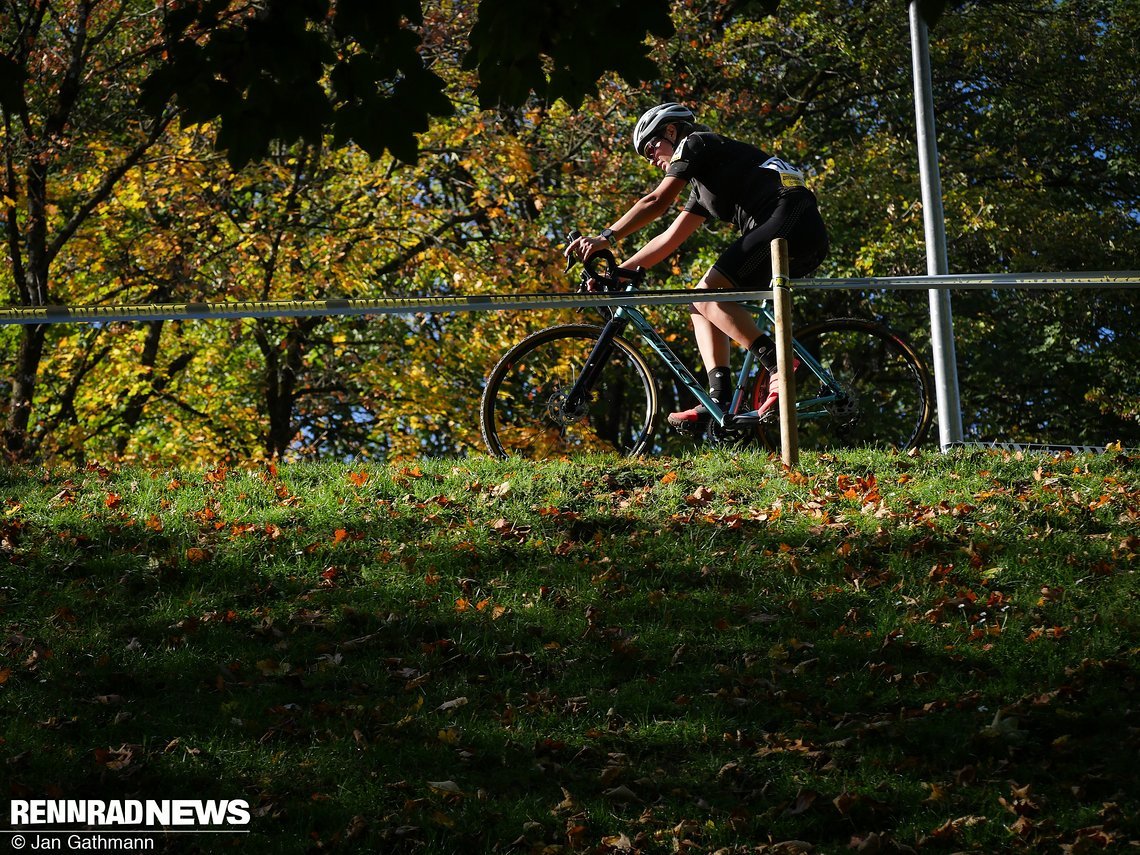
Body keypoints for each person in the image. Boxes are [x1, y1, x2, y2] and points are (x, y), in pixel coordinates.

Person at [566, 102, 829, 436]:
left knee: (708, 292)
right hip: (792, 229)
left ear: (672, 131)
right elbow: (671, 236)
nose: (651, 159)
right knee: (699, 303)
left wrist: (606, 237)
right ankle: (717, 399)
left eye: (651, 147)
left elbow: (656, 202)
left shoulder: (697, 143)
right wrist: (622, 270)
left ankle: (778, 363)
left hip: (789, 217)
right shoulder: (705, 183)